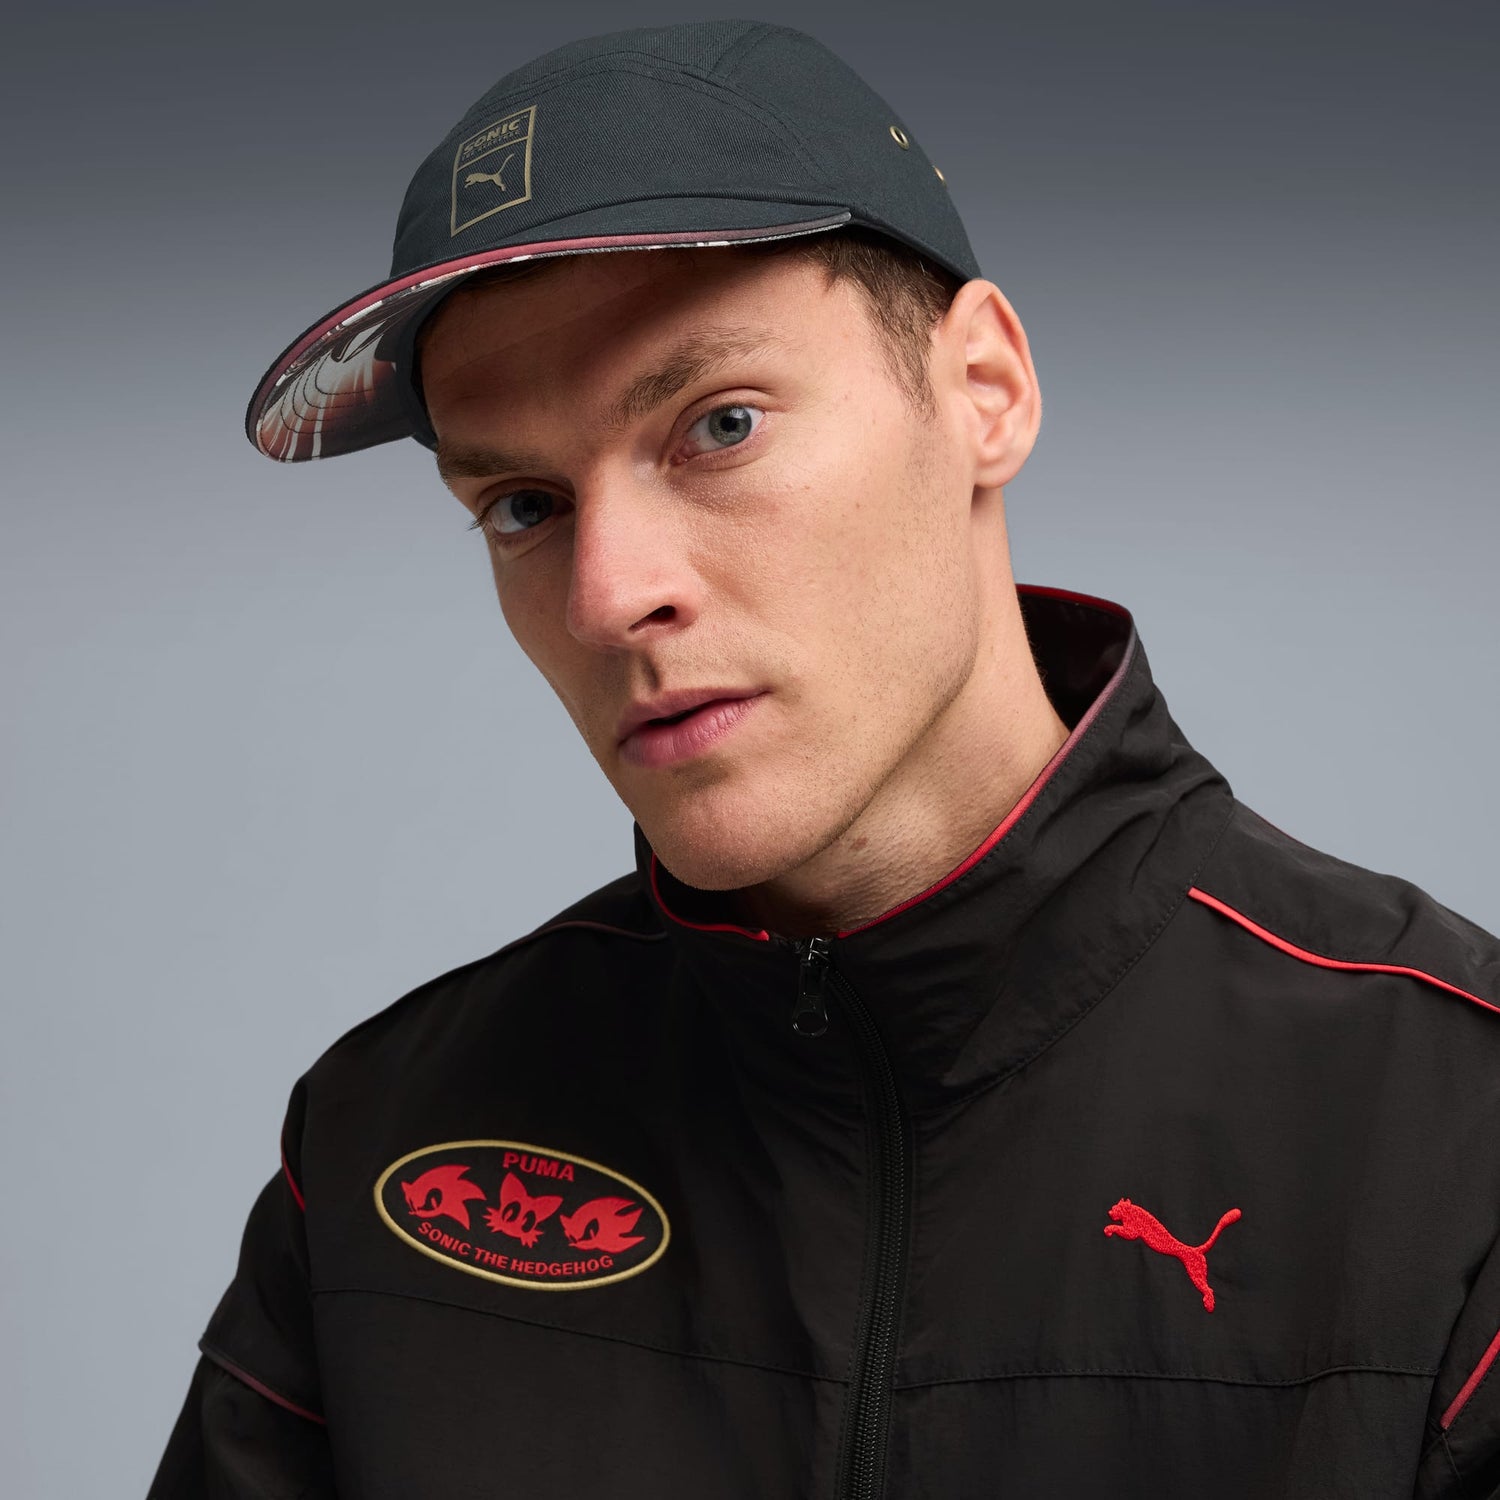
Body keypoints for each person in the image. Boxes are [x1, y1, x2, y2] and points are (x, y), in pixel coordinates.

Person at [149, 19, 1500, 1499]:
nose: (609, 596)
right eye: (524, 504)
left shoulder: (1453, 1136)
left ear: (983, 390)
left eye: (718, 426)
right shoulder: (386, 1143)